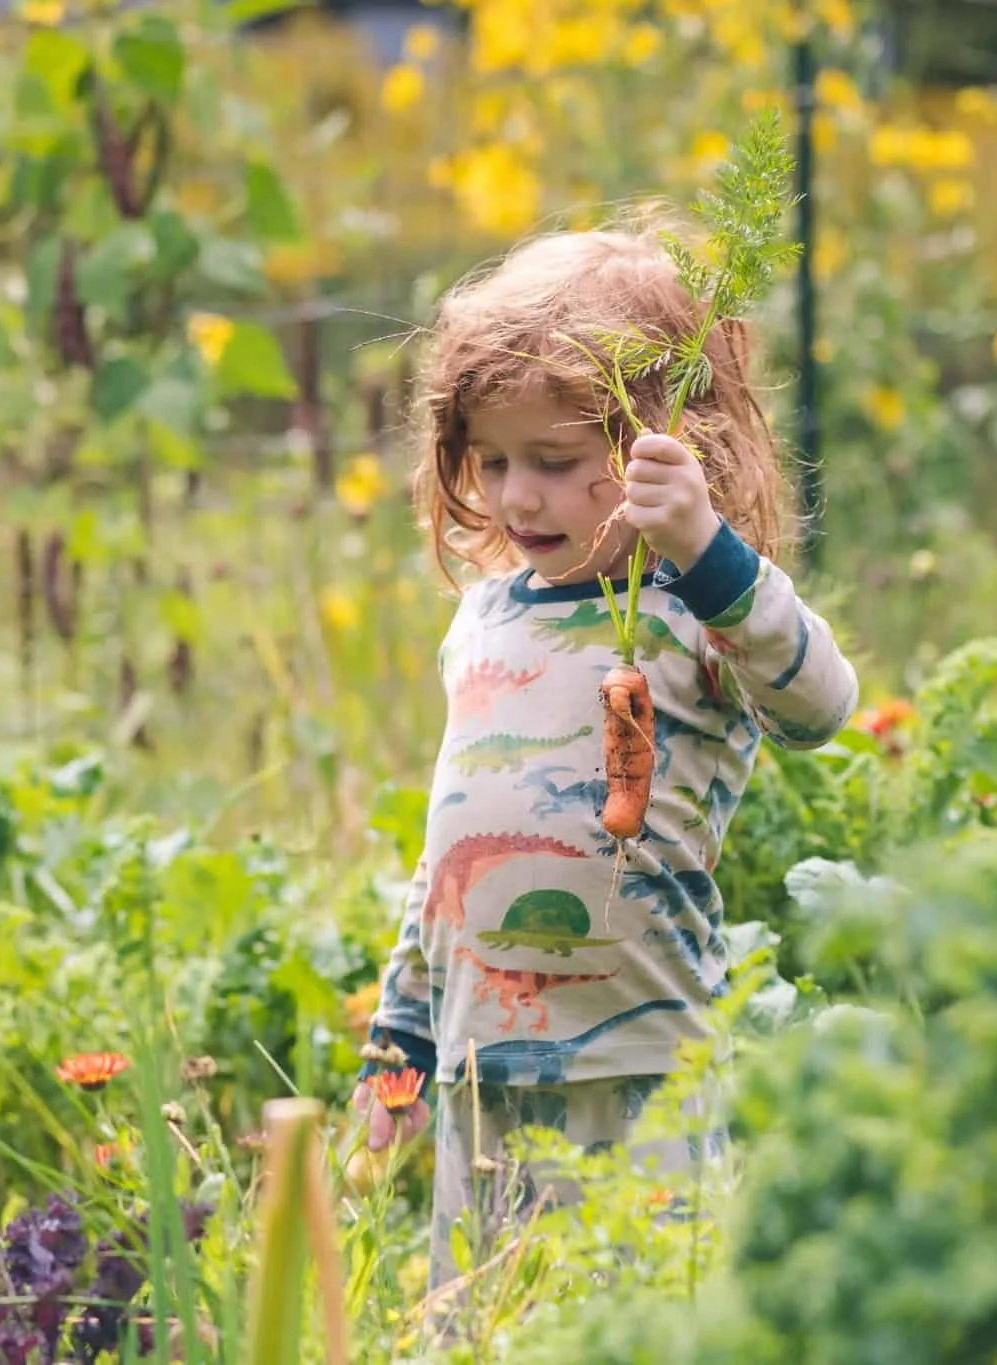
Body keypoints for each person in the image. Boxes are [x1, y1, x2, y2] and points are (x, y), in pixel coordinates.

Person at [350, 222, 859, 1295]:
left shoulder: (697, 611)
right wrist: (398, 1046)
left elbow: (820, 705)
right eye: (490, 460)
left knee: (643, 1313)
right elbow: (448, 864)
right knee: (482, 1321)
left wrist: (711, 555)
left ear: (659, 451)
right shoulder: (484, 618)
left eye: (553, 461)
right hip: (480, 1073)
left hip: (640, 1065)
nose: (515, 496)